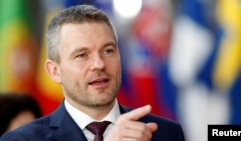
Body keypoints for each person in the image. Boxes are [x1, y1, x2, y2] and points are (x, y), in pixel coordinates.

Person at [0, 4, 185, 141]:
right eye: (82, 55)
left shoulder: (166, 133)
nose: (98, 64)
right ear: (54, 71)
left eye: (108, 51)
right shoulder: (22, 139)